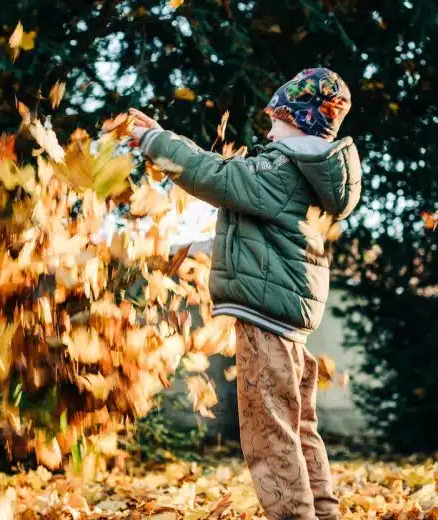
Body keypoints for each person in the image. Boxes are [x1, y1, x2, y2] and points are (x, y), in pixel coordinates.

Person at [130, 68, 361, 520]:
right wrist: (197, 248)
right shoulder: (309, 177)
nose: (269, 129)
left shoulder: (282, 165)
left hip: (267, 325)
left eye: (277, 119)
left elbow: (215, 175)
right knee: (299, 427)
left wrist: (156, 141)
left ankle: (293, 516)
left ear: (299, 123)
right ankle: (323, 513)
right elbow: (263, 235)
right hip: (290, 325)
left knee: (268, 430)